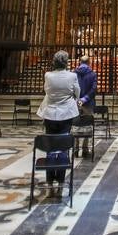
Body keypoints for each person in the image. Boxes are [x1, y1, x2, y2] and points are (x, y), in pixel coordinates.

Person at [36, 50, 80, 188]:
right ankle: (60, 179)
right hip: (66, 113)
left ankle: (49, 179)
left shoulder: (48, 75)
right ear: (66, 62)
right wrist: (73, 98)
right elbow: (77, 92)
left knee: (50, 145)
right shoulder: (72, 76)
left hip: (49, 113)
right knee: (64, 145)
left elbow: (46, 90)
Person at [74, 55, 97, 157]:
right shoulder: (92, 74)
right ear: (89, 62)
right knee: (88, 125)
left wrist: (77, 99)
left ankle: (75, 148)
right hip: (88, 103)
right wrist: (85, 99)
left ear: (80, 62)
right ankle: (85, 149)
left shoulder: (73, 74)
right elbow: (94, 89)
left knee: (75, 125)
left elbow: (71, 88)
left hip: (75, 103)